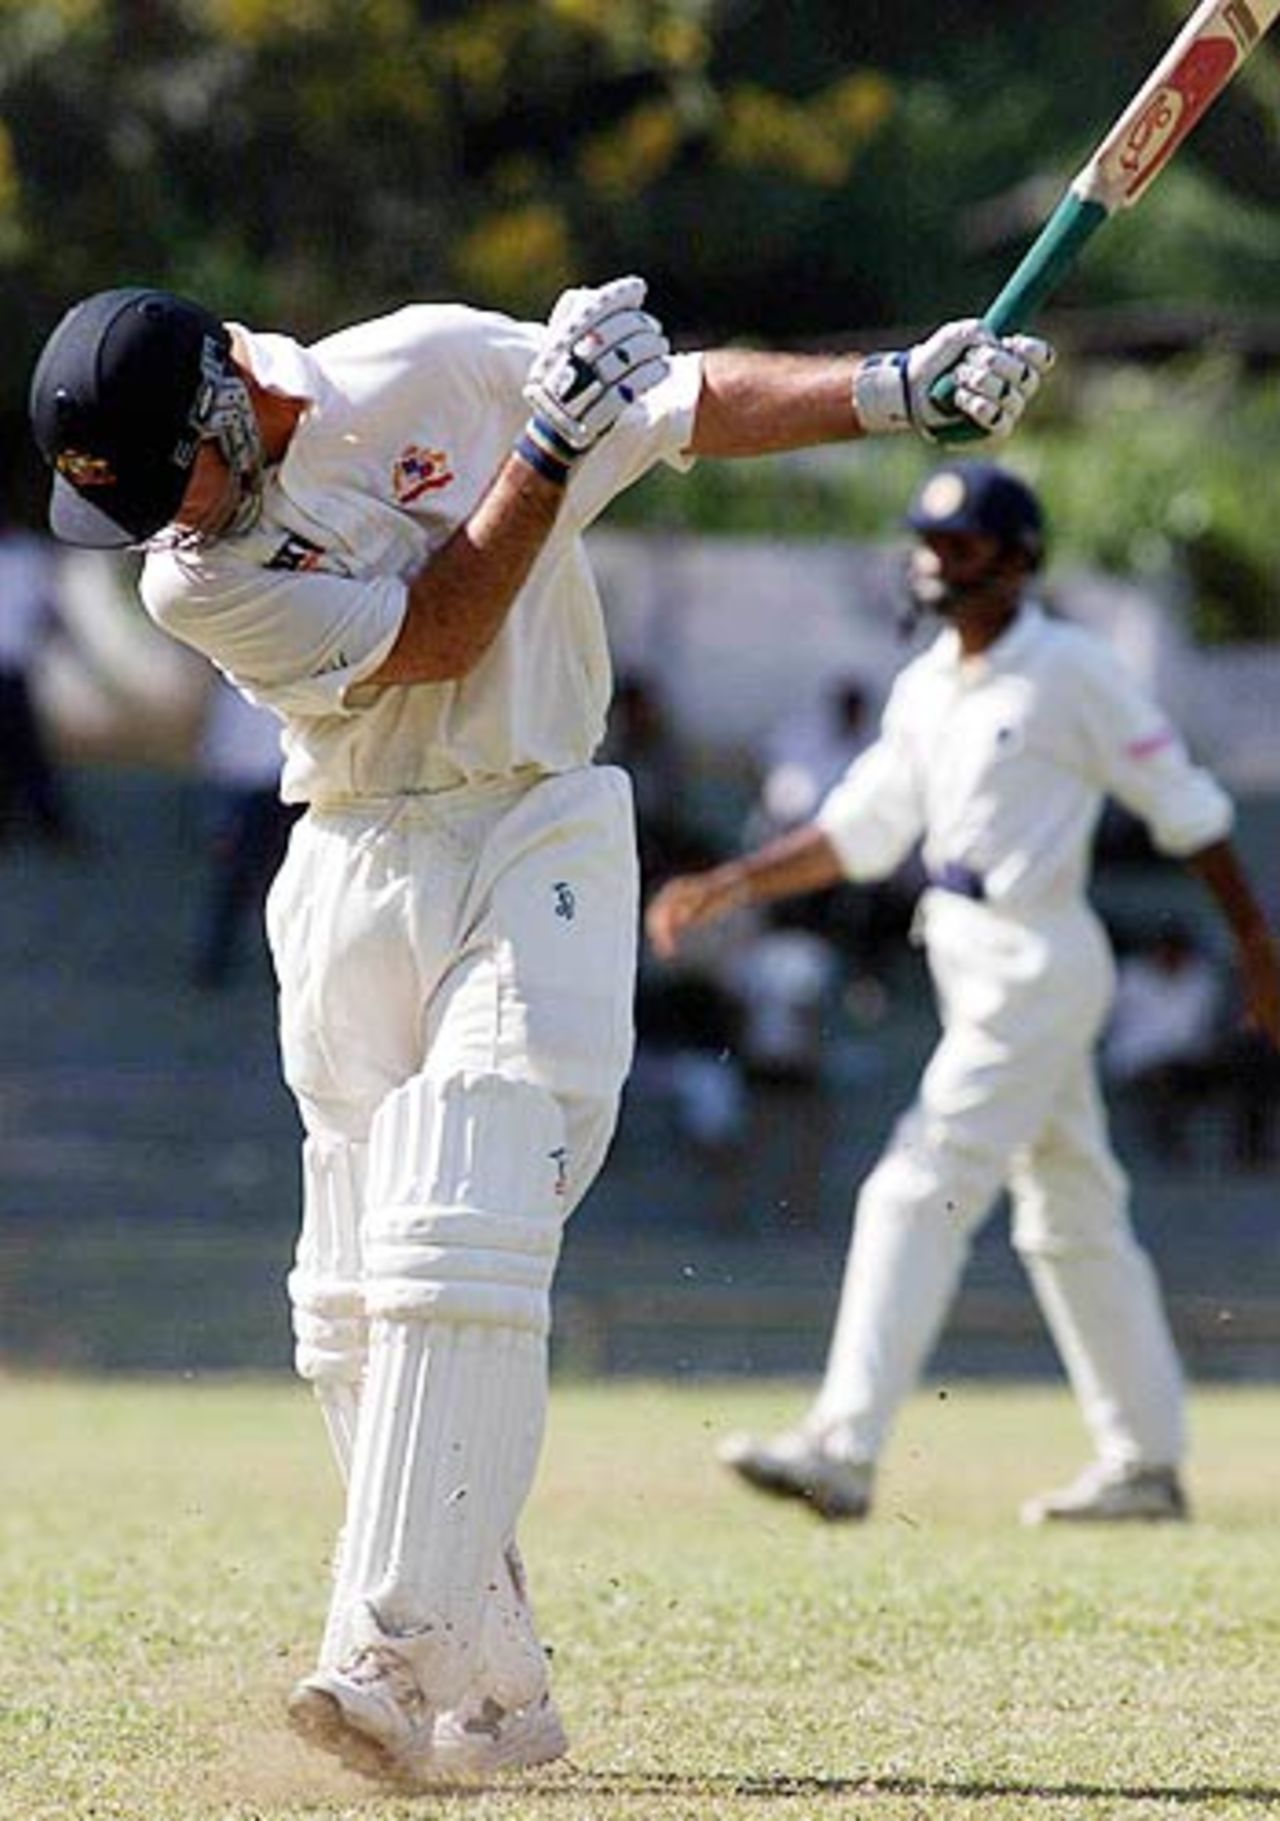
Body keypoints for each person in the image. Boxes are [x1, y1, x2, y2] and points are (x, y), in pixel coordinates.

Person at [28, 279, 1051, 1788]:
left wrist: (898, 391)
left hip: (539, 827)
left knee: (468, 1192)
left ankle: (380, 1651)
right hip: (356, 861)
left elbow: (681, 406)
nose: (159, 532)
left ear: (226, 398)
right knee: (347, 1306)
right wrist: (548, 454)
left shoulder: (438, 364)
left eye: (162, 482)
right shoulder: (192, 581)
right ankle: (498, 1692)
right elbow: (437, 635)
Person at [647, 461, 1280, 1529]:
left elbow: (1187, 809)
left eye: (961, 547)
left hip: (1038, 955)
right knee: (1070, 1214)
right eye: (927, 545)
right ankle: (1144, 1462)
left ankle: (842, 1449)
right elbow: (858, 832)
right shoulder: (926, 683)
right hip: (962, 952)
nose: (935, 564)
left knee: (914, 1182)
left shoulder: (1073, 669)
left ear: (1019, 560)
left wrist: (1255, 948)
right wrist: (733, 880)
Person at [191, 674, 301, 988]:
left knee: (273, 883)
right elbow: (221, 753)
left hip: (278, 786)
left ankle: (224, 961)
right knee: (242, 882)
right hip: (258, 789)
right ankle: (216, 960)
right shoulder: (239, 691)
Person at [0, 511, 77, 846]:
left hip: (13, 671)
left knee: (24, 749)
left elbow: (46, 612)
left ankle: (48, 822)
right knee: (21, 750)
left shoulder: (30, 557)